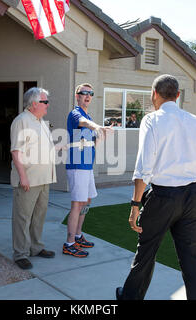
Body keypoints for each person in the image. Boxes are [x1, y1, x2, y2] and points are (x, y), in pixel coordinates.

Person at [116, 75, 196, 300]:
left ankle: (130, 297)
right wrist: (186, 160)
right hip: (193, 196)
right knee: (192, 261)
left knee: (146, 254)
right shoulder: (193, 120)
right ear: (178, 95)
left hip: (163, 197)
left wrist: (135, 205)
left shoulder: (152, 120)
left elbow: (144, 168)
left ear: (154, 94)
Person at [62, 83, 113, 258]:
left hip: (87, 166)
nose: (87, 95)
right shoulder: (76, 113)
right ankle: (69, 244)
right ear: (77, 96)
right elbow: (84, 123)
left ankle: (77, 235)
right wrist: (96, 126)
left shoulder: (87, 115)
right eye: (84, 93)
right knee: (77, 203)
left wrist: (101, 136)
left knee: (87, 201)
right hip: (77, 166)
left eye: (90, 93)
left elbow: (92, 142)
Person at [10, 87, 57, 270]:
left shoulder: (41, 121)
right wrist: (23, 177)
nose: (48, 105)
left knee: (39, 216)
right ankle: (20, 253)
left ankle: (35, 248)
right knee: (23, 218)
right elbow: (16, 151)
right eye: (45, 102)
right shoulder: (21, 121)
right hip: (29, 179)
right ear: (34, 104)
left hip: (44, 178)